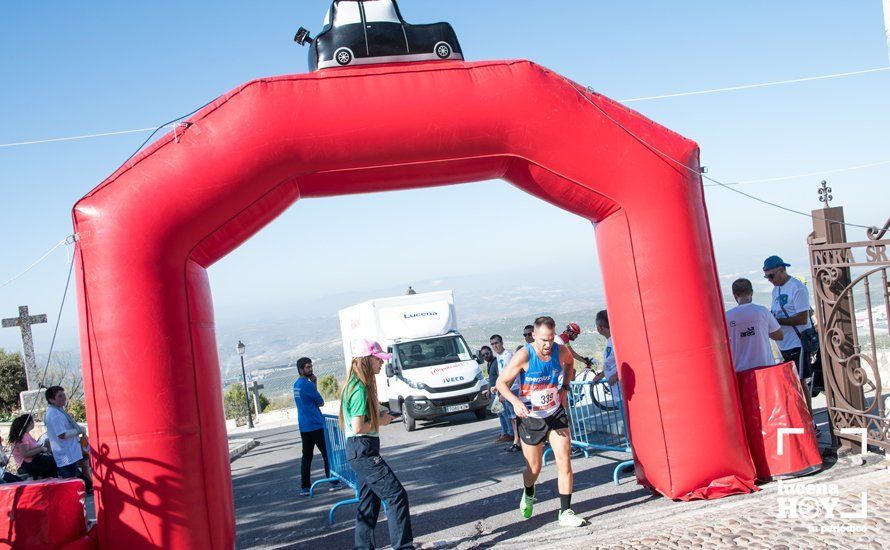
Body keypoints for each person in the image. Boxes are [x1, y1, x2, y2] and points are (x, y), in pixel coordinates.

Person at [496, 316, 588, 527]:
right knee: (534, 469)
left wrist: (564, 388)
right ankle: (529, 492)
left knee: (564, 461)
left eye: (550, 339)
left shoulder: (561, 350)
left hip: (555, 413)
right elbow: (501, 382)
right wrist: (515, 401)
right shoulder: (524, 355)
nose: (547, 345)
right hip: (531, 418)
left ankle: (565, 512)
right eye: (543, 340)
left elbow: (570, 363)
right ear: (534, 336)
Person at [340, 340, 413, 550]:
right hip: (363, 448)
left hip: (359, 449)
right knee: (396, 495)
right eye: (378, 360)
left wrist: (381, 413)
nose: (382, 364)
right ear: (367, 360)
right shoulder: (359, 388)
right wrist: (382, 420)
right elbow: (359, 426)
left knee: (368, 504)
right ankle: (404, 547)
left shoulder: (354, 384)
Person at [764, 255, 816, 413]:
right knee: (790, 382)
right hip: (783, 343)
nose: (769, 280)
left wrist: (777, 321)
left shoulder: (797, 288)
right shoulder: (776, 290)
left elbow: (802, 318)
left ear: (781, 270)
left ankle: (810, 420)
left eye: (771, 276)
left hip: (797, 342)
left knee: (800, 381)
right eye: (766, 277)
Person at [293, 357, 338, 496]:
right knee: (327, 453)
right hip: (315, 424)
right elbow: (320, 402)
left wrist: (314, 383)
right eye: (307, 367)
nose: (311, 369)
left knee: (307, 457)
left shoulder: (296, 384)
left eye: (311, 366)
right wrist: (314, 383)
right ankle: (333, 482)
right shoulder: (307, 384)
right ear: (301, 369)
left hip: (304, 425)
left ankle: (305, 487)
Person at [725, 278, 783, 372]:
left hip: (740, 370)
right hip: (765, 367)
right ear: (751, 292)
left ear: (735, 295)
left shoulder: (727, 316)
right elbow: (779, 336)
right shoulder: (762, 311)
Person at [44, 386, 92, 492]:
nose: (64, 398)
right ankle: (89, 487)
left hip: (68, 452)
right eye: (60, 396)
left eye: (64, 395)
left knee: (75, 478)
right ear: (52, 400)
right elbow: (62, 434)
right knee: (72, 482)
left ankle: (89, 487)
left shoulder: (58, 411)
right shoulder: (54, 414)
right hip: (65, 453)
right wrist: (78, 430)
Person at [490, 335, 521, 452]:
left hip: (512, 389)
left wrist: (504, 391)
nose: (495, 346)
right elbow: (502, 374)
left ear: (501, 342)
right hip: (505, 389)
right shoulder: (499, 356)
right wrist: (497, 387)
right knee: (512, 418)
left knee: (515, 417)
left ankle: (518, 441)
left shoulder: (507, 355)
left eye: (496, 343)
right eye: (492, 344)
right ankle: (516, 441)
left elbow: (511, 375)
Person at [8, 413, 57, 479]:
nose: (34, 423)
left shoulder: (26, 435)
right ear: (29, 423)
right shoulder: (23, 436)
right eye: (32, 421)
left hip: (30, 462)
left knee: (52, 458)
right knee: (53, 461)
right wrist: (40, 449)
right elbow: (25, 454)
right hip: (26, 465)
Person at [592, 311, 620, 403]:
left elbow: (629, 361)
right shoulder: (610, 341)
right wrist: (601, 375)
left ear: (601, 327)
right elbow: (611, 365)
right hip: (616, 393)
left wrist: (616, 376)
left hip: (622, 392)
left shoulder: (616, 342)